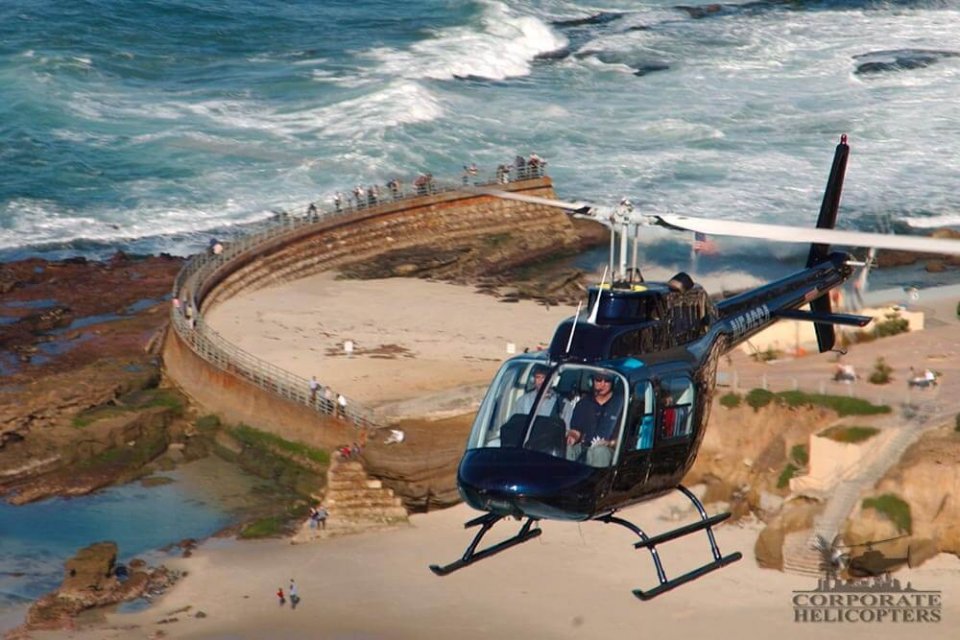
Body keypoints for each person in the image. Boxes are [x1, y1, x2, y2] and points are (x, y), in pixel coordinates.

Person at [566, 372, 622, 467]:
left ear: (613, 383)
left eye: (607, 381)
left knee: (600, 452)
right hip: (585, 447)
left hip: (609, 450)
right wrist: (572, 437)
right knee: (567, 449)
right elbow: (576, 430)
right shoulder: (583, 404)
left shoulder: (620, 405)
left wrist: (609, 443)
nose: (602, 384)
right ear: (591, 382)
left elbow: (626, 438)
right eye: (599, 380)